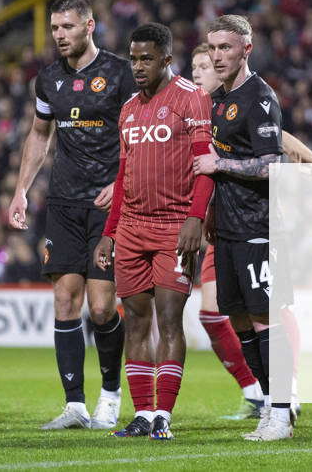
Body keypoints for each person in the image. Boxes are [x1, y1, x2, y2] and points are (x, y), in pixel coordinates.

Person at [190, 43, 312, 420]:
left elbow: (278, 139)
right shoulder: (197, 108)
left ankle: (286, 392)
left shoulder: (240, 100)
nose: (196, 73)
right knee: (216, 313)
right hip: (215, 220)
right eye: (192, 66)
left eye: (203, 65)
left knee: (268, 307)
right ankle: (257, 390)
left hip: (251, 216)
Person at [7, 0, 133, 430]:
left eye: (67, 27)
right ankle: (75, 404)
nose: (59, 36)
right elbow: (39, 136)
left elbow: (140, 135)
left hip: (110, 203)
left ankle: (112, 394)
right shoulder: (47, 80)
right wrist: (21, 190)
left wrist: (120, 184)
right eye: (55, 28)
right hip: (63, 201)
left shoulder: (121, 74)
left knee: (101, 308)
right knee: (64, 299)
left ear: (89, 25)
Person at [93, 23, 214, 441]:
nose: (138, 66)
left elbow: (205, 165)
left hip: (173, 228)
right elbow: (123, 174)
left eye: (147, 59)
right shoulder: (128, 109)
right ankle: (143, 413)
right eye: (133, 58)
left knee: (169, 319)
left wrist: (195, 219)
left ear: (166, 58)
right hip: (131, 229)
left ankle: (164, 413)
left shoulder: (191, 98)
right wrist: (110, 232)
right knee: (137, 322)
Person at [192, 14, 293, 441]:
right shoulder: (216, 99)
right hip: (229, 226)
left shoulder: (260, 98)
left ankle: (284, 412)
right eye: (212, 48)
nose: (217, 56)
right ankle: (269, 402)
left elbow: (274, 164)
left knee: (264, 318)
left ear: (246, 50)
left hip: (260, 225)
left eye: (226, 48)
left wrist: (221, 164)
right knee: (239, 320)